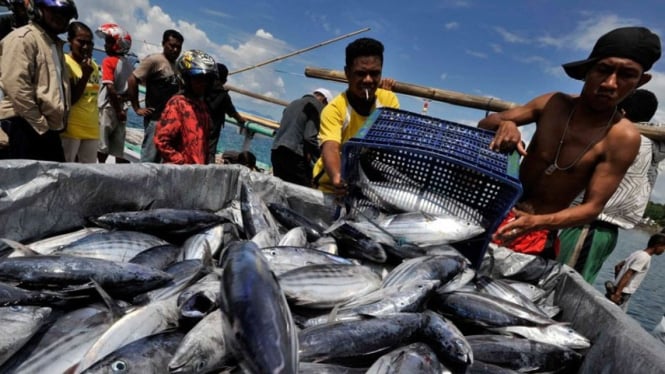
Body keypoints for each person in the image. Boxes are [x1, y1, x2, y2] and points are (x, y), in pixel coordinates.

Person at [478, 26, 661, 259]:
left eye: (626, 75)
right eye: (603, 70)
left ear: (640, 81)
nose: (610, 83)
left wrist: (538, 222)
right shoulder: (553, 103)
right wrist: (506, 125)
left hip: (537, 234)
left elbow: (592, 208)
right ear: (587, 71)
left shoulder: (622, 138)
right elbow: (486, 123)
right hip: (494, 211)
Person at [558, 89, 661, 282]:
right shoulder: (655, 145)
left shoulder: (618, 136)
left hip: (589, 226)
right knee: (579, 280)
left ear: (622, 112)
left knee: (561, 278)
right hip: (605, 231)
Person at [312, 37, 399, 194]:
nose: (368, 80)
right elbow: (330, 147)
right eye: (360, 74)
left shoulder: (388, 100)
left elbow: (390, 144)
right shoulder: (334, 109)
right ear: (347, 73)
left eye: (374, 74)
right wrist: (338, 177)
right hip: (331, 187)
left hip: (366, 188)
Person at [0, 0, 78, 161]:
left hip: (45, 129)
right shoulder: (23, 38)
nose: (60, 17)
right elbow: (18, 89)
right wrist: (41, 126)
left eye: (65, 14)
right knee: (22, 185)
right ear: (39, 9)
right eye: (54, 11)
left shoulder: (54, 45)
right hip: (23, 125)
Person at [127, 29, 183, 163]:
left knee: (163, 161)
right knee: (149, 160)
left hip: (171, 122)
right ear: (164, 44)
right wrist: (137, 107)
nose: (175, 50)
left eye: (178, 47)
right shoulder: (155, 60)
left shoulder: (177, 66)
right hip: (156, 120)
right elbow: (132, 79)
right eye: (172, 46)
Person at [154, 49, 216, 164]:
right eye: (198, 79)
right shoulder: (178, 104)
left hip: (197, 173)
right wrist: (182, 163)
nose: (203, 84)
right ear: (186, 79)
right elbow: (162, 141)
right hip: (179, 174)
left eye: (207, 80)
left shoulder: (203, 107)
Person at [271, 88, 333, 186]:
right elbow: (310, 138)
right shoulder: (317, 107)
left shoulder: (293, 103)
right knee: (304, 191)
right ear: (325, 101)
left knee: (279, 190)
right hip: (293, 155)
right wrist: (322, 158)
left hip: (276, 151)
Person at [60, 21, 99, 163]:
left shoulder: (93, 64)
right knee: (65, 171)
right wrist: (84, 76)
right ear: (70, 41)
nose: (86, 47)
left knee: (88, 174)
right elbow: (70, 99)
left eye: (90, 43)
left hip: (92, 128)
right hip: (71, 129)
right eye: (81, 42)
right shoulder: (65, 63)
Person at [95, 23, 132, 163]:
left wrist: (117, 110)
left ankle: (100, 169)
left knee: (102, 146)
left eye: (109, 42)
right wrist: (121, 110)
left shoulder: (108, 61)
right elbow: (131, 88)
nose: (105, 45)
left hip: (109, 108)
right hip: (123, 107)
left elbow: (110, 88)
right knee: (118, 147)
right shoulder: (128, 63)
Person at [604, 233, 665, 311]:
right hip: (623, 293)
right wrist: (618, 293)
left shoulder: (638, 253)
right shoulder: (645, 257)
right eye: (663, 247)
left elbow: (618, 266)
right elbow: (629, 274)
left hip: (618, 289)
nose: (663, 251)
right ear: (657, 245)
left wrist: (617, 281)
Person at [205, 62, 246, 163]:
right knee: (208, 157)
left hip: (195, 133)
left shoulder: (202, 89)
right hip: (210, 137)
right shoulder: (224, 96)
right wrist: (242, 121)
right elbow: (233, 113)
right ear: (224, 80)